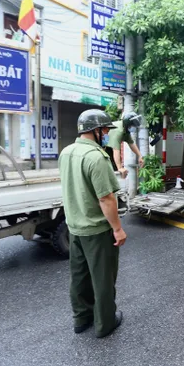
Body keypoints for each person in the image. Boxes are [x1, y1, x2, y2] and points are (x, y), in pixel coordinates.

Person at [58, 109, 126, 338]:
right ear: (95, 130)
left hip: (75, 226)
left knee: (79, 276)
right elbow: (106, 198)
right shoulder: (96, 157)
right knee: (103, 279)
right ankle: (105, 323)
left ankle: (81, 318)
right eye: (105, 129)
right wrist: (117, 229)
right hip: (97, 230)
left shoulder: (66, 152)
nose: (107, 133)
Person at [108, 111, 144, 178]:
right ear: (128, 124)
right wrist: (119, 167)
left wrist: (140, 155)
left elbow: (131, 143)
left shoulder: (126, 131)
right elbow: (116, 150)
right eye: (133, 126)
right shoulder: (119, 131)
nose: (134, 128)